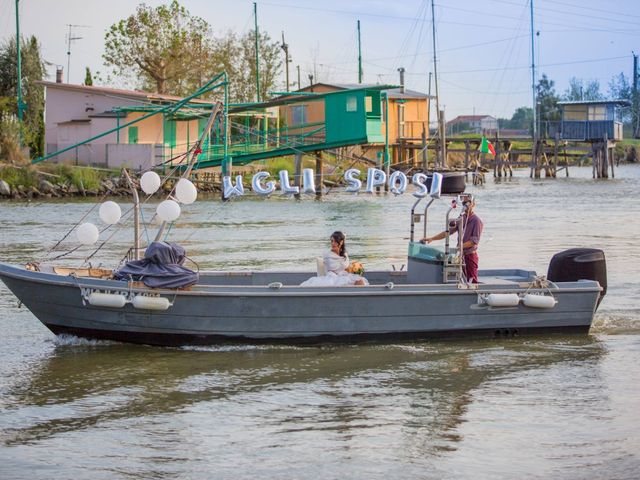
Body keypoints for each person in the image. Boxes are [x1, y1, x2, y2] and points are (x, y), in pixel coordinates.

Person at [420, 194, 483, 283]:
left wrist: (459, 246)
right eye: (464, 203)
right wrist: (432, 238)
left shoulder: (477, 221)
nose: (466, 206)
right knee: (461, 278)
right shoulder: (461, 218)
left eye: (468, 203)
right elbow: (448, 232)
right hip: (461, 254)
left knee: (472, 280)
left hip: (470, 255)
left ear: (473, 205)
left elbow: (474, 241)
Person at [301, 231, 368, 286]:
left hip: (344, 275)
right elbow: (333, 269)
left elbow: (346, 268)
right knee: (344, 282)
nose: (333, 243)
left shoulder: (345, 254)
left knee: (360, 281)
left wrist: (353, 269)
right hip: (332, 277)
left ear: (341, 242)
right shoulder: (327, 254)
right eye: (332, 241)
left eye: (335, 241)